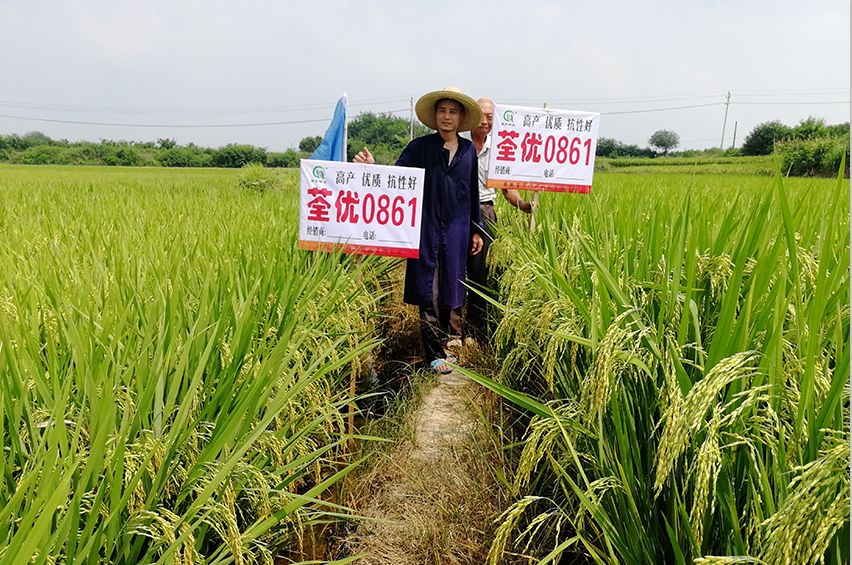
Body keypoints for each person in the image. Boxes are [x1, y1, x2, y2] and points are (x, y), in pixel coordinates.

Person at [354, 86, 483, 374]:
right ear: (435, 115)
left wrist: (477, 229)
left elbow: (472, 193)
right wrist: (373, 167)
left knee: (451, 288)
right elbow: (396, 178)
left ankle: (446, 342)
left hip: (457, 231)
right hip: (424, 229)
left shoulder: (467, 152)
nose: (446, 116)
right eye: (442, 110)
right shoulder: (420, 148)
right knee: (428, 289)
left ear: (461, 117)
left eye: (452, 111)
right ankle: (434, 353)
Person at [464, 97, 533, 343]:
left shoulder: (501, 148)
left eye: (490, 116)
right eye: (480, 115)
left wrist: (524, 205)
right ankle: (450, 330)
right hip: (458, 212)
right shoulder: (459, 144)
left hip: (485, 212)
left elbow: (507, 190)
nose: (484, 121)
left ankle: (474, 330)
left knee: (480, 273)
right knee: (453, 271)